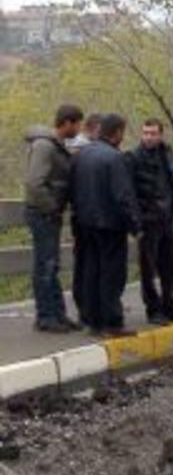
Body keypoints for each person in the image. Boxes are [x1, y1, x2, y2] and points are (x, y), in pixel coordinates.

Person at [72, 113, 140, 337]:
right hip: (110, 224)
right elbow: (123, 196)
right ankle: (111, 321)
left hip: (85, 222)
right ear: (118, 132)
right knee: (111, 274)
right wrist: (135, 225)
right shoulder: (114, 158)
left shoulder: (82, 154)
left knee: (91, 270)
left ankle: (93, 320)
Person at [24, 104, 84, 333]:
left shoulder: (55, 146)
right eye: (77, 124)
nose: (78, 129)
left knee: (52, 265)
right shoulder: (44, 146)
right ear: (68, 122)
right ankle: (46, 317)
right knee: (45, 266)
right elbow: (34, 183)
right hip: (42, 214)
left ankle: (58, 314)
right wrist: (52, 208)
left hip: (48, 213)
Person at [129, 118, 173, 325]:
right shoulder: (134, 158)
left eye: (153, 133)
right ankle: (153, 310)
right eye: (145, 133)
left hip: (167, 218)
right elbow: (130, 193)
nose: (149, 137)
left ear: (161, 134)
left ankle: (170, 306)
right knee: (148, 268)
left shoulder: (166, 154)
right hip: (148, 220)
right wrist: (138, 221)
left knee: (170, 267)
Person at [68, 112, 101, 326]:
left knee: (83, 263)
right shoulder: (82, 151)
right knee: (88, 263)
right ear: (91, 128)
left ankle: (86, 307)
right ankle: (87, 308)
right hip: (87, 216)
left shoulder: (75, 151)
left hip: (80, 214)